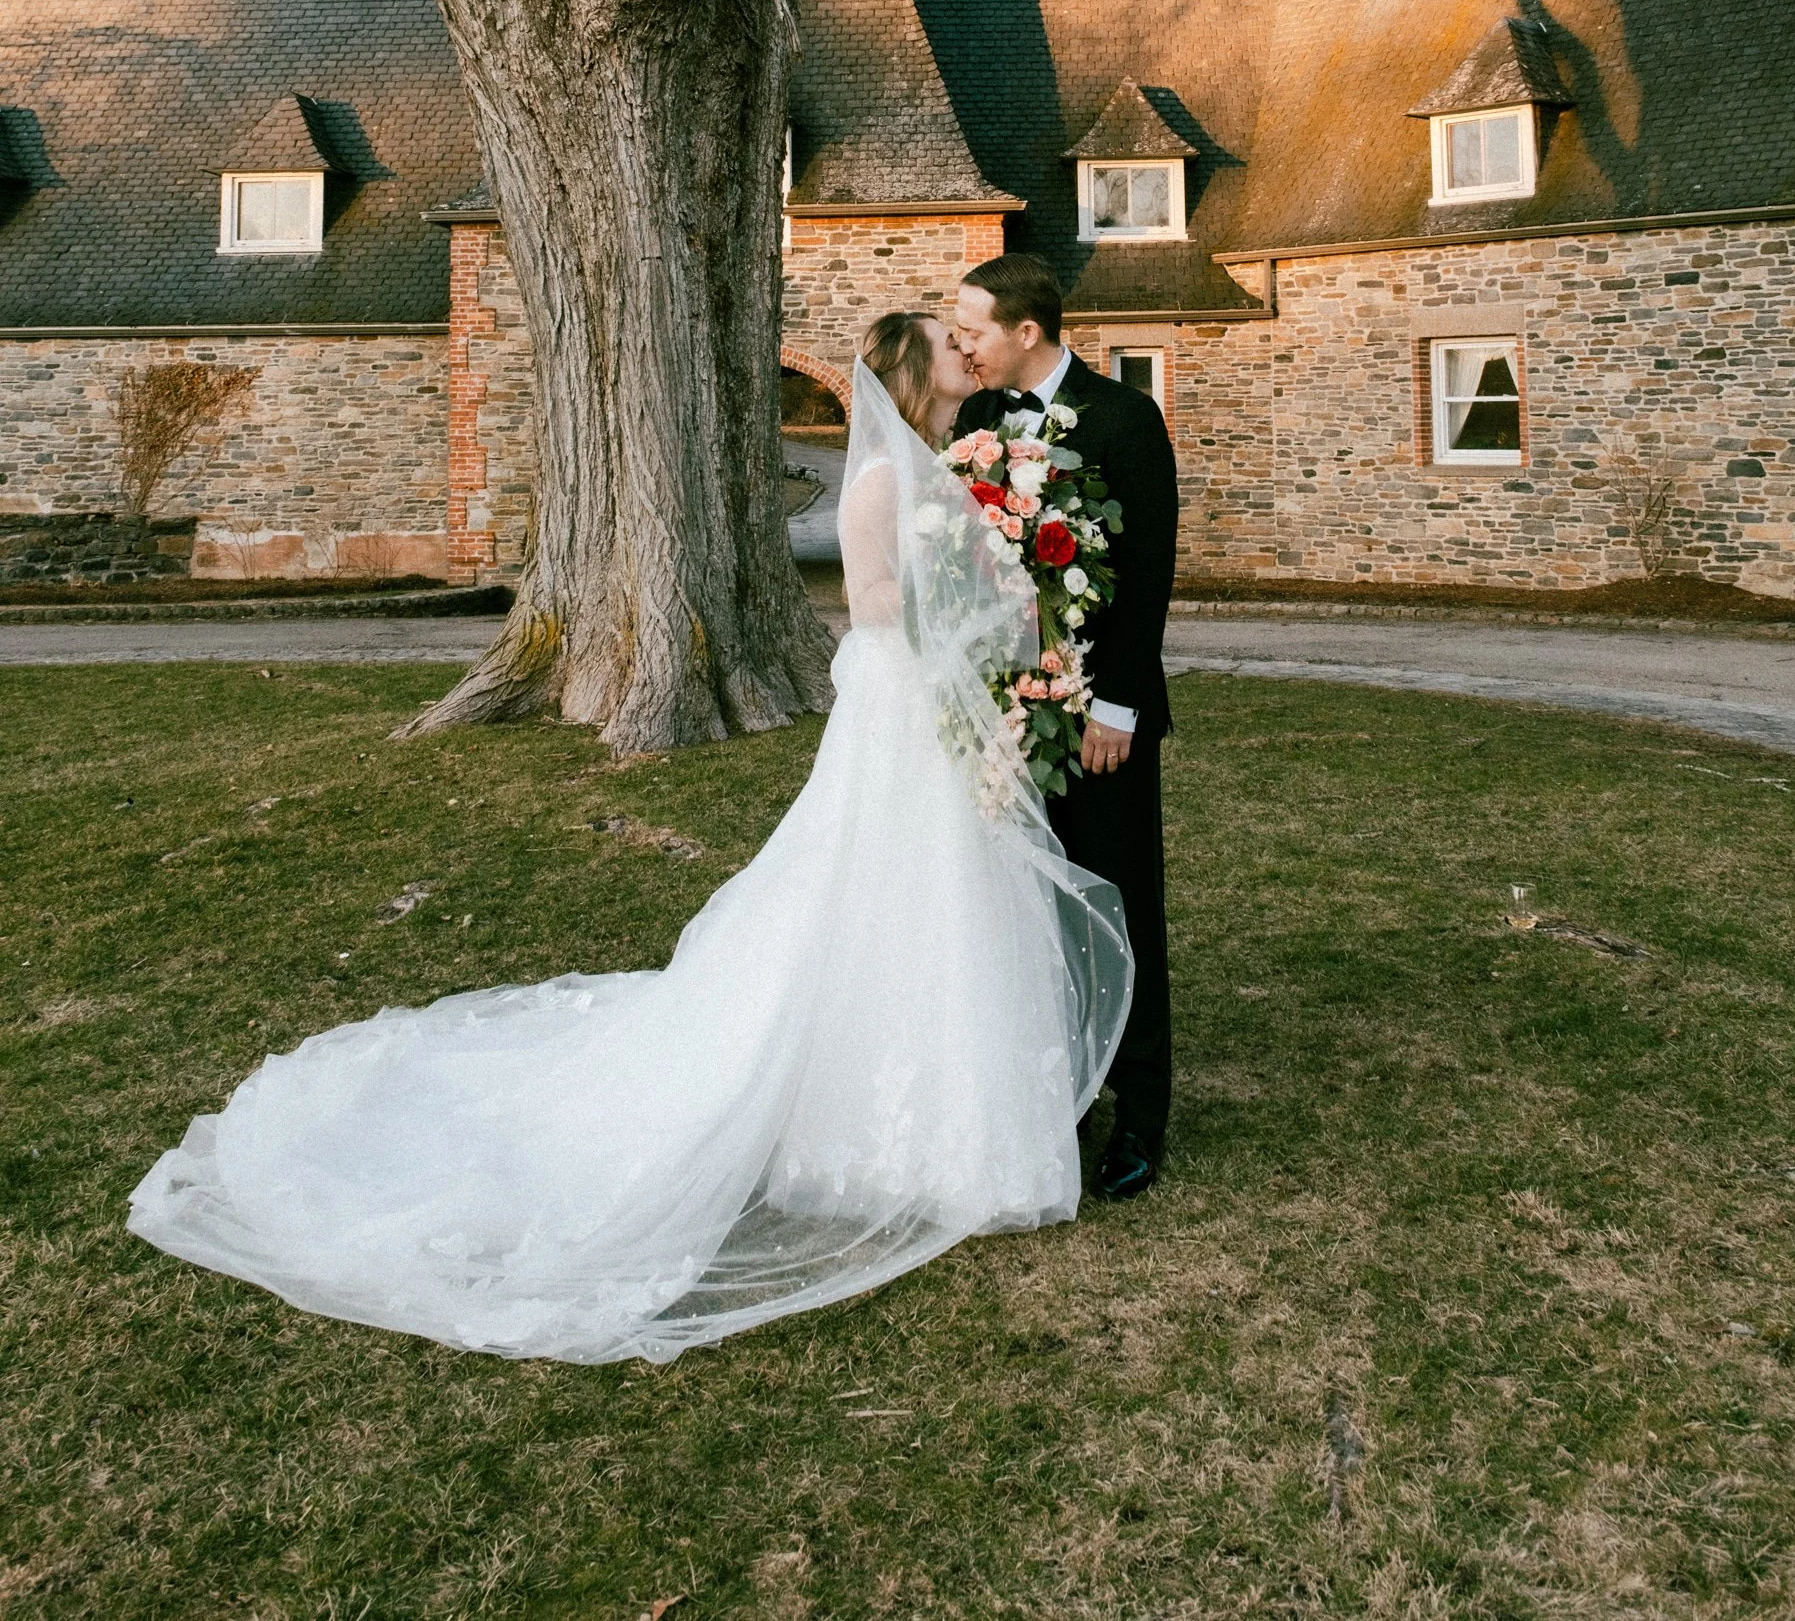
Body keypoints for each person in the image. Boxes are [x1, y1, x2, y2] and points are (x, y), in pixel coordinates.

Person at [126, 317, 1132, 1366]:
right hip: (902, 701)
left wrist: (1003, 594)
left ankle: (973, 1124)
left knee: (944, 893)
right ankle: (885, 1129)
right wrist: (969, 605)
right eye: (946, 343)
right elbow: (875, 602)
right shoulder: (884, 480)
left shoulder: (951, 461)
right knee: (889, 885)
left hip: (939, 704)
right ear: (912, 373)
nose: (964, 353)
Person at [952, 253, 1178, 1201]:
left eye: (971, 327)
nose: (961, 343)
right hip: (1008, 715)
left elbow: (1149, 571)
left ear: (1026, 330)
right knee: (1029, 907)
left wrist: (1114, 705)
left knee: (1115, 901)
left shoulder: (1126, 419)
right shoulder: (974, 425)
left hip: (1101, 716)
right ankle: (1058, 1088)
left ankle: (1142, 1110)